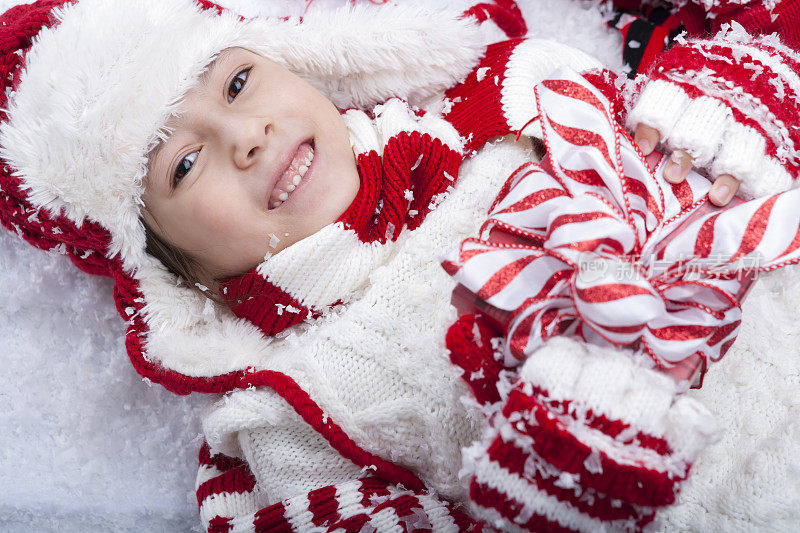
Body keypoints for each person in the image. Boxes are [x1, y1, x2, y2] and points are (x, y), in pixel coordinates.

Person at [0, 0, 798, 531]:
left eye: (237, 82)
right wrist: (551, 488)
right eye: (181, 165)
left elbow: (720, 100)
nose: (244, 135)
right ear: (170, 269)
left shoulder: (513, 96)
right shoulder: (288, 421)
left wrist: (737, 101)